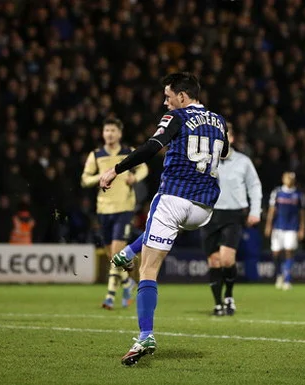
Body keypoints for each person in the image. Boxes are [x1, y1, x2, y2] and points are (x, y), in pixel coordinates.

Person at [101, 73, 229, 366]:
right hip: (204, 208)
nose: (165, 102)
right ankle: (127, 251)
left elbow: (150, 148)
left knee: (148, 269)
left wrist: (116, 170)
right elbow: (223, 152)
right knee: (162, 231)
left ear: (183, 97)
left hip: (174, 198)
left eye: (168, 96)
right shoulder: (219, 120)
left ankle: (145, 334)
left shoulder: (176, 118)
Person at [81, 117, 148, 310]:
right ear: (103, 134)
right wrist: (99, 178)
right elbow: (85, 180)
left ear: (119, 133)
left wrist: (135, 177)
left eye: (113, 130)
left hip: (124, 208)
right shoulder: (96, 155)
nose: (109, 134)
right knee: (113, 255)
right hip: (104, 208)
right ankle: (128, 283)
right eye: (106, 130)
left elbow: (144, 167)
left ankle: (110, 295)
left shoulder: (128, 152)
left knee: (117, 251)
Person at [201, 124, 262, 316]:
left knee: (227, 259)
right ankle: (218, 303)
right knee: (214, 261)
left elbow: (254, 186)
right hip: (209, 214)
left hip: (233, 214)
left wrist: (255, 212)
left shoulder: (243, 161)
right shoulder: (205, 160)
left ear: (232, 139)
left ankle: (229, 295)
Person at [264, 172, 305, 290]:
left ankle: (287, 279)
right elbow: (272, 210)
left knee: (289, 251)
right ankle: (279, 275)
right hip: (278, 228)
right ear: (283, 179)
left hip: (292, 228)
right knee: (276, 253)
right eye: (287, 178)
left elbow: (302, 213)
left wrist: (302, 228)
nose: (289, 180)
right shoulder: (277, 192)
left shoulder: (298, 194)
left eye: (291, 178)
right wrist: (268, 225)